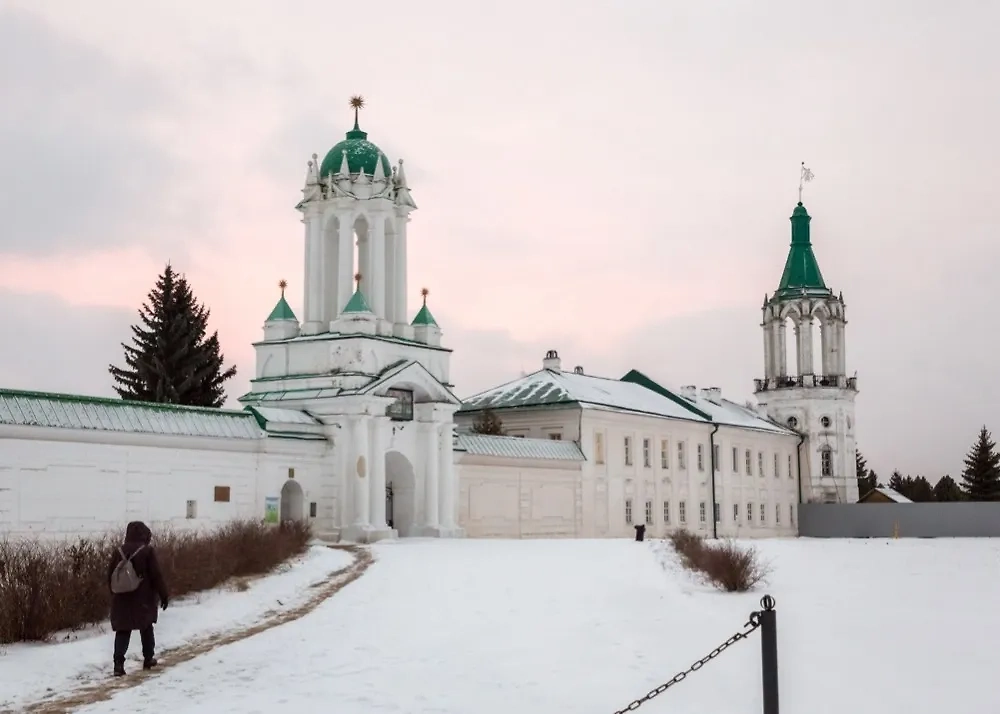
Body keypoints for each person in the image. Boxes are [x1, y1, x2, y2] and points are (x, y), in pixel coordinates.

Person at [107, 521, 169, 676]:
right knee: (146, 627)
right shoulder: (147, 551)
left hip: (121, 599)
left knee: (123, 630)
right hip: (143, 599)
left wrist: (114, 593)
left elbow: (110, 575)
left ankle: (118, 665)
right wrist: (163, 595)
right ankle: (148, 658)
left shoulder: (118, 551)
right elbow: (156, 576)